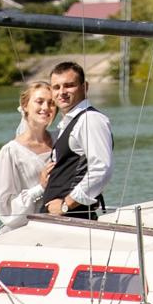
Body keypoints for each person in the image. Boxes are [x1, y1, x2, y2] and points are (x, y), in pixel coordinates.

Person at [41, 60, 113, 218]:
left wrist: (66, 205)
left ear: (85, 87)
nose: (62, 92)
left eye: (69, 85)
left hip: (74, 219)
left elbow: (101, 169)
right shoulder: (69, 123)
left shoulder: (90, 120)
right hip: (60, 220)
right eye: (56, 87)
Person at [0, 80, 55, 228]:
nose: (46, 107)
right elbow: (6, 211)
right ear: (25, 106)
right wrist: (40, 188)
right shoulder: (10, 152)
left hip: (61, 226)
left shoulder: (62, 140)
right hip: (26, 231)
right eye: (39, 102)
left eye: (51, 103)